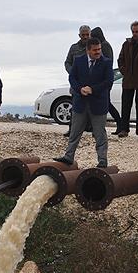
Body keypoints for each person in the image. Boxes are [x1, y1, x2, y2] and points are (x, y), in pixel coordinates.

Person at [54, 37, 113, 168]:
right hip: (80, 103)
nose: (98, 52)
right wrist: (80, 89)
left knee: (100, 134)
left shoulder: (106, 63)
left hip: (98, 104)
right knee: (75, 132)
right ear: (88, 50)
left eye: (99, 49)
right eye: (95, 50)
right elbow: (72, 77)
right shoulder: (79, 60)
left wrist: (92, 89)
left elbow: (108, 81)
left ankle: (102, 160)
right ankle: (68, 157)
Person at [62, 25, 91, 137]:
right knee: (75, 108)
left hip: (90, 83)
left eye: (87, 34)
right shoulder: (74, 48)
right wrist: (72, 72)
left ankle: (93, 130)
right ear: (79, 35)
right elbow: (67, 62)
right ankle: (72, 130)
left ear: (90, 34)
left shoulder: (95, 47)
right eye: (83, 35)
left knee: (92, 108)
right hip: (76, 83)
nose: (85, 37)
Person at [91, 26, 122, 125]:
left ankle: (119, 122)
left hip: (104, 79)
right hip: (103, 78)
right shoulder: (104, 45)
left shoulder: (104, 46)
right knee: (105, 103)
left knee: (106, 103)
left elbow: (105, 62)